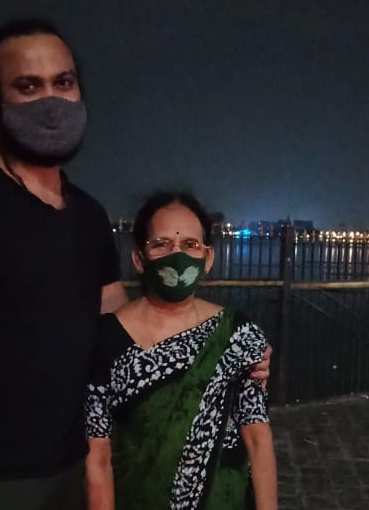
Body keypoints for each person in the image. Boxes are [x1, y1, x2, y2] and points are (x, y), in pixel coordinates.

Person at [0, 18, 270, 510]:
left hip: (81, 468)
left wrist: (232, 355)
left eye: (63, 83)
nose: (51, 102)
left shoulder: (87, 216)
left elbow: (128, 334)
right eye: (28, 86)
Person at [85, 192, 278, 510]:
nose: (178, 255)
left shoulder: (236, 334)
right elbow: (98, 455)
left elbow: (257, 438)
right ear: (139, 259)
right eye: (161, 243)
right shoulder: (106, 339)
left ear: (208, 258)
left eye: (190, 245)